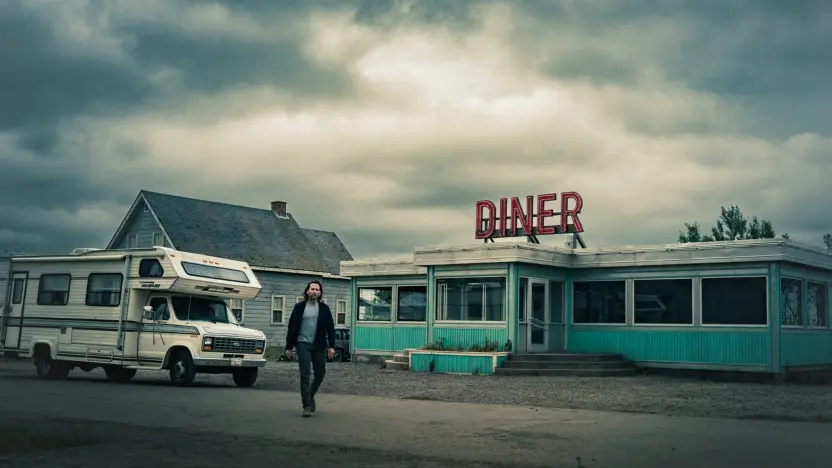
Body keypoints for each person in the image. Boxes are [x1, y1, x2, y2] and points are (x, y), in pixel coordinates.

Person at [284, 280, 336, 417]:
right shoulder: (299, 307)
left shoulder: (324, 309)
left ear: (320, 293)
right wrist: (289, 347)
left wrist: (332, 346)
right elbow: (291, 327)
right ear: (307, 291)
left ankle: (310, 395)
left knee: (320, 374)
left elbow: (330, 328)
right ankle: (306, 406)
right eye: (312, 289)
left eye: (317, 289)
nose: (314, 291)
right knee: (305, 375)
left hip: (318, 345)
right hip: (302, 344)